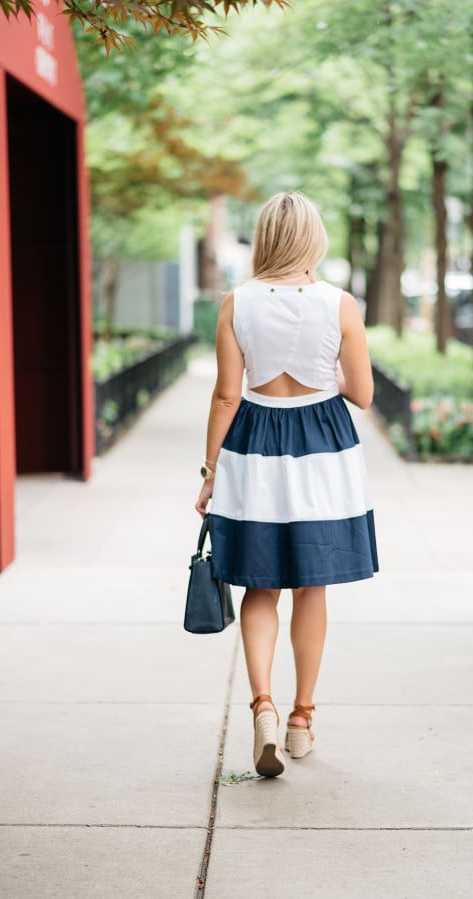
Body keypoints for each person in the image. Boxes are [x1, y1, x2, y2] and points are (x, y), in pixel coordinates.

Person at [195, 192, 378, 778]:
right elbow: (364, 393)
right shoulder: (340, 305)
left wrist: (208, 473)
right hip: (323, 450)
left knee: (259, 585)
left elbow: (226, 394)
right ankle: (302, 719)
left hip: (254, 449)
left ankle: (263, 707)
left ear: (266, 238)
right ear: (314, 239)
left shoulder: (236, 303)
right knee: (312, 588)